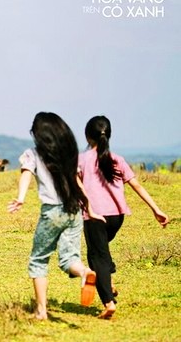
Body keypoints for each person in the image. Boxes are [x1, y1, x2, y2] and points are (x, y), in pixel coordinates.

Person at [7, 112, 104, 320]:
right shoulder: (69, 154)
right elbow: (78, 183)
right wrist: (90, 208)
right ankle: (85, 273)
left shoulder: (33, 154)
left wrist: (21, 198)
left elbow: (26, 174)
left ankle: (41, 311)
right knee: (70, 258)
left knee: (38, 261)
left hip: (52, 212)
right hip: (74, 210)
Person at [78, 115, 169, 319]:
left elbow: (75, 184)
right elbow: (136, 185)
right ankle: (108, 282)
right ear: (108, 135)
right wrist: (156, 209)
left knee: (97, 257)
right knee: (100, 251)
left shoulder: (81, 160)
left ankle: (109, 302)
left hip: (94, 215)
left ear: (87, 136)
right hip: (117, 217)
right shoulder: (117, 159)